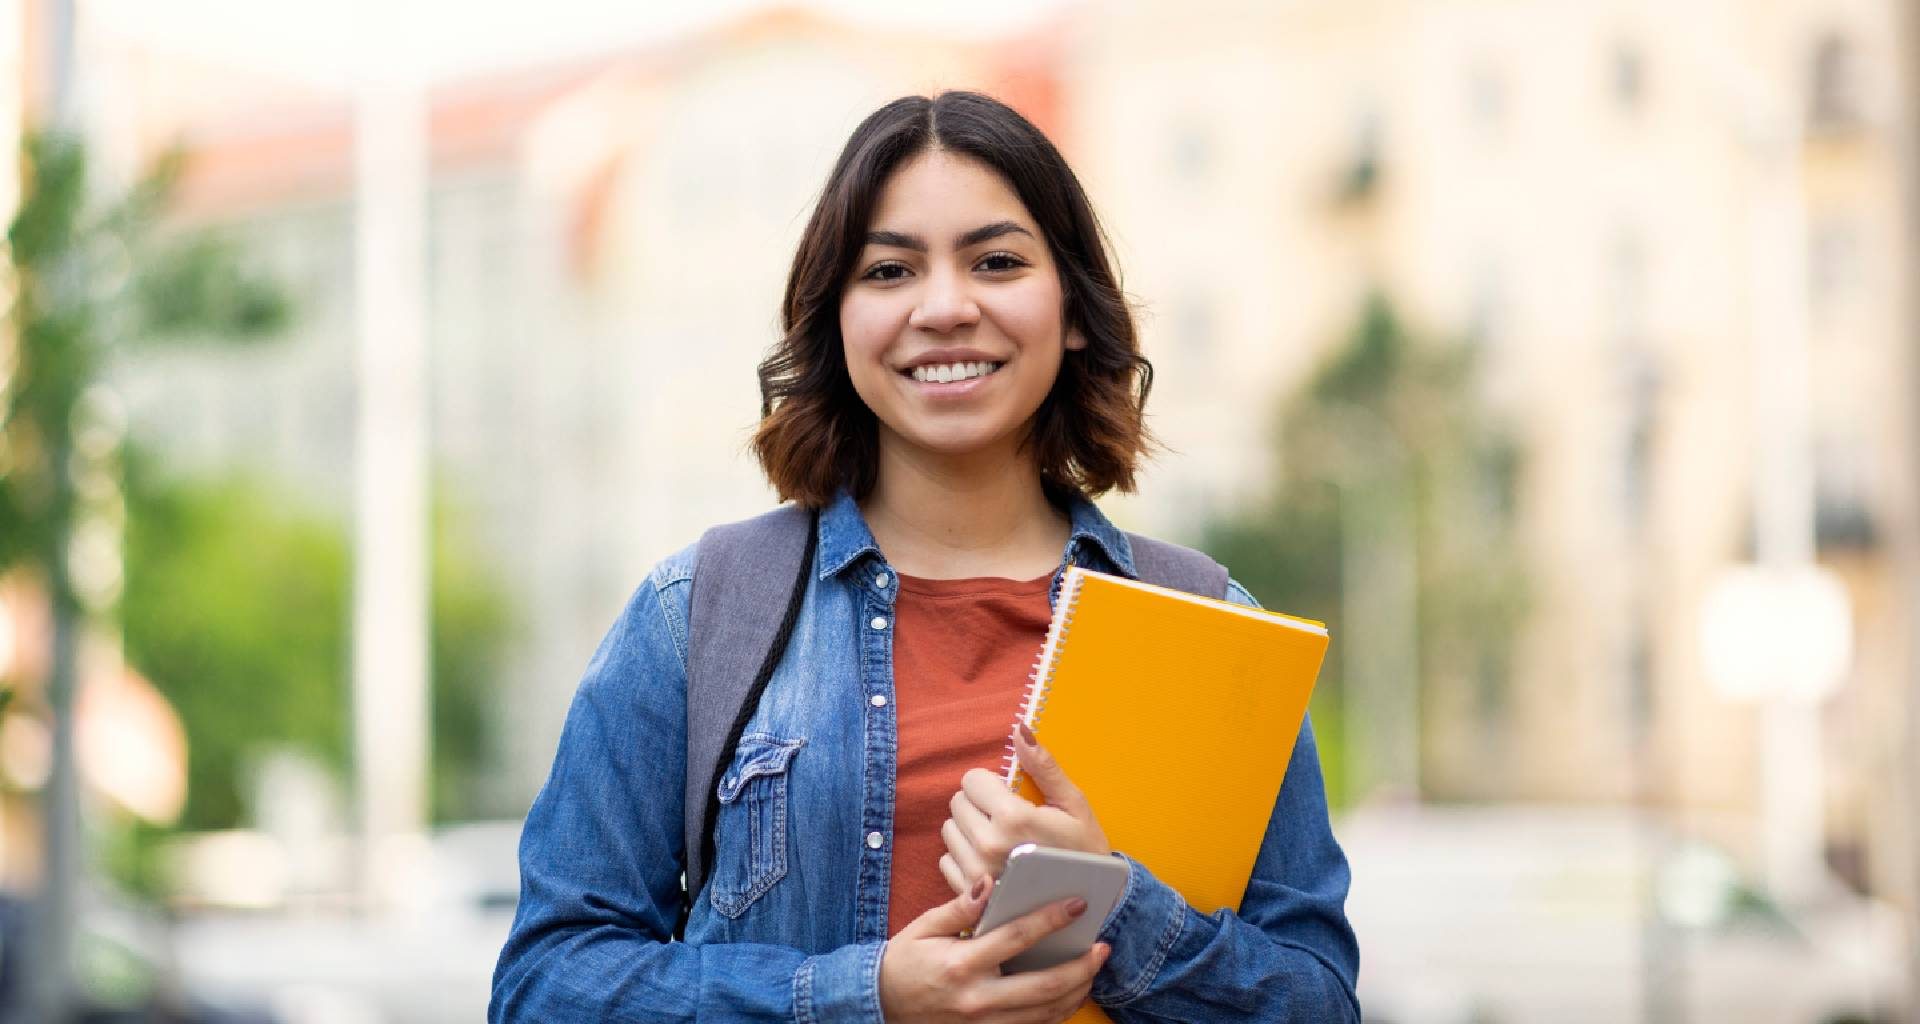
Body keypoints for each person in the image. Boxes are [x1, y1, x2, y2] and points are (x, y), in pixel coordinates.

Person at [490, 90, 1359, 1023]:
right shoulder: (697, 612)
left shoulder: (1211, 626)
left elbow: (1318, 999)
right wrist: (864, 998)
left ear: (1072, 309)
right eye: (891, 271)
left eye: (996, 261)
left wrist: (1113, 905)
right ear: (836, 320)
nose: (945, 308)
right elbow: (546, 985)